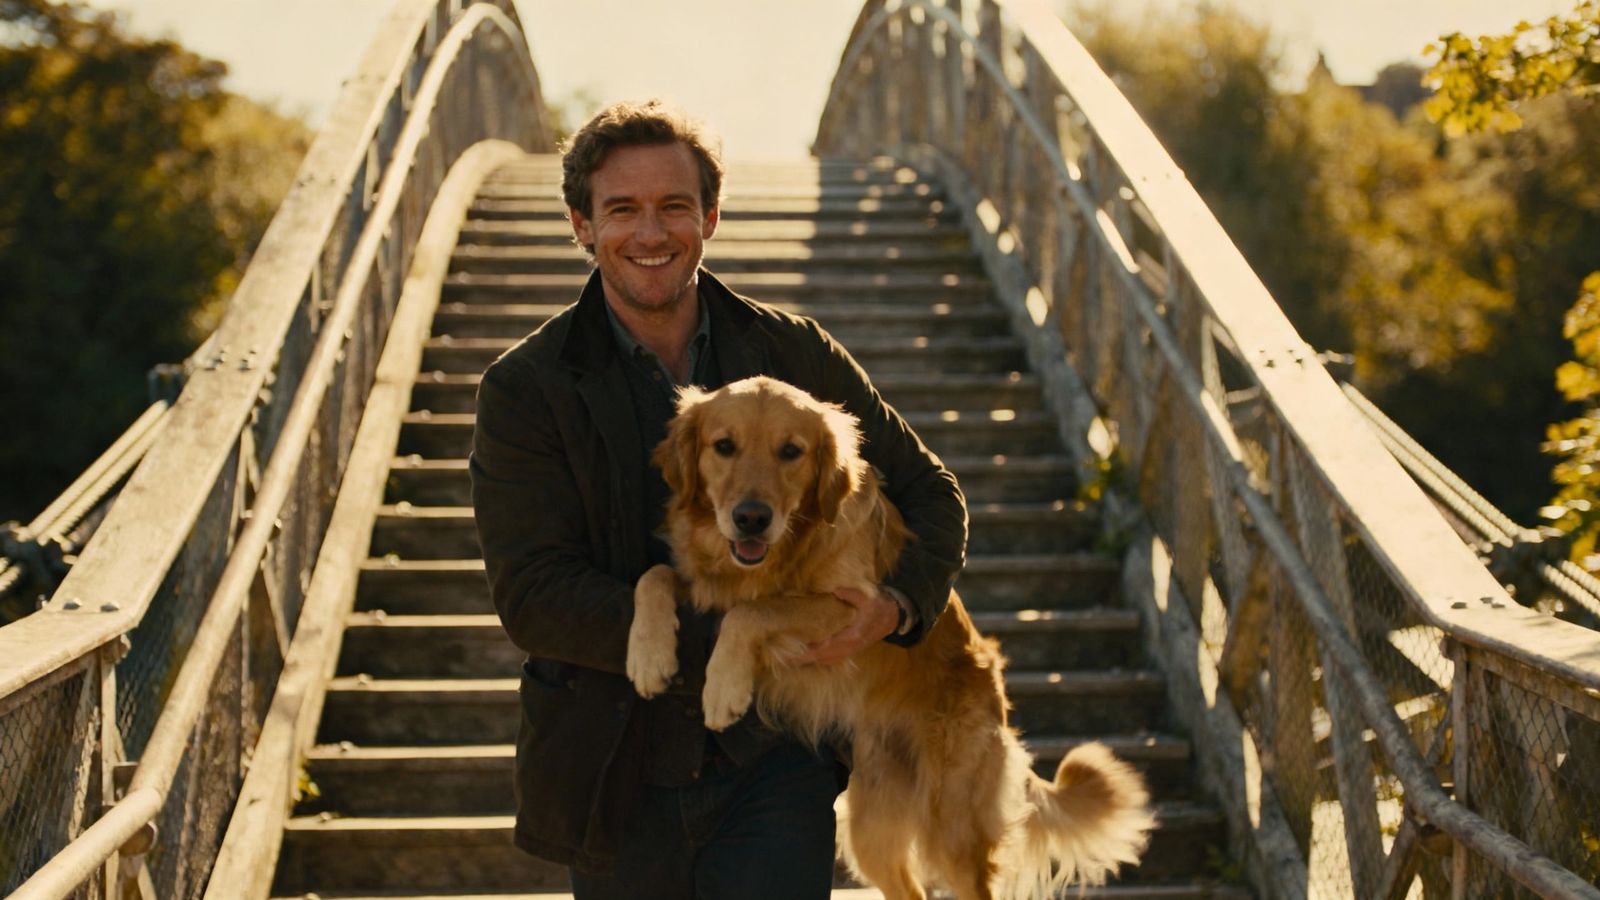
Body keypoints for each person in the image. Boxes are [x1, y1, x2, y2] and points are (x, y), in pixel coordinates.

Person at [469, 99, 967, 900]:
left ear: (710, 215)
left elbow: (933, 497)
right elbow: (532, 596)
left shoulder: (795, 353)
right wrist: (694, 618)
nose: (652, 233)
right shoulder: (525, 390)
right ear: (580, 225)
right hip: (610, 767)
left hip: (777, 765)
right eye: (621, 209)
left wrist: (898, 607)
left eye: (674, 206)